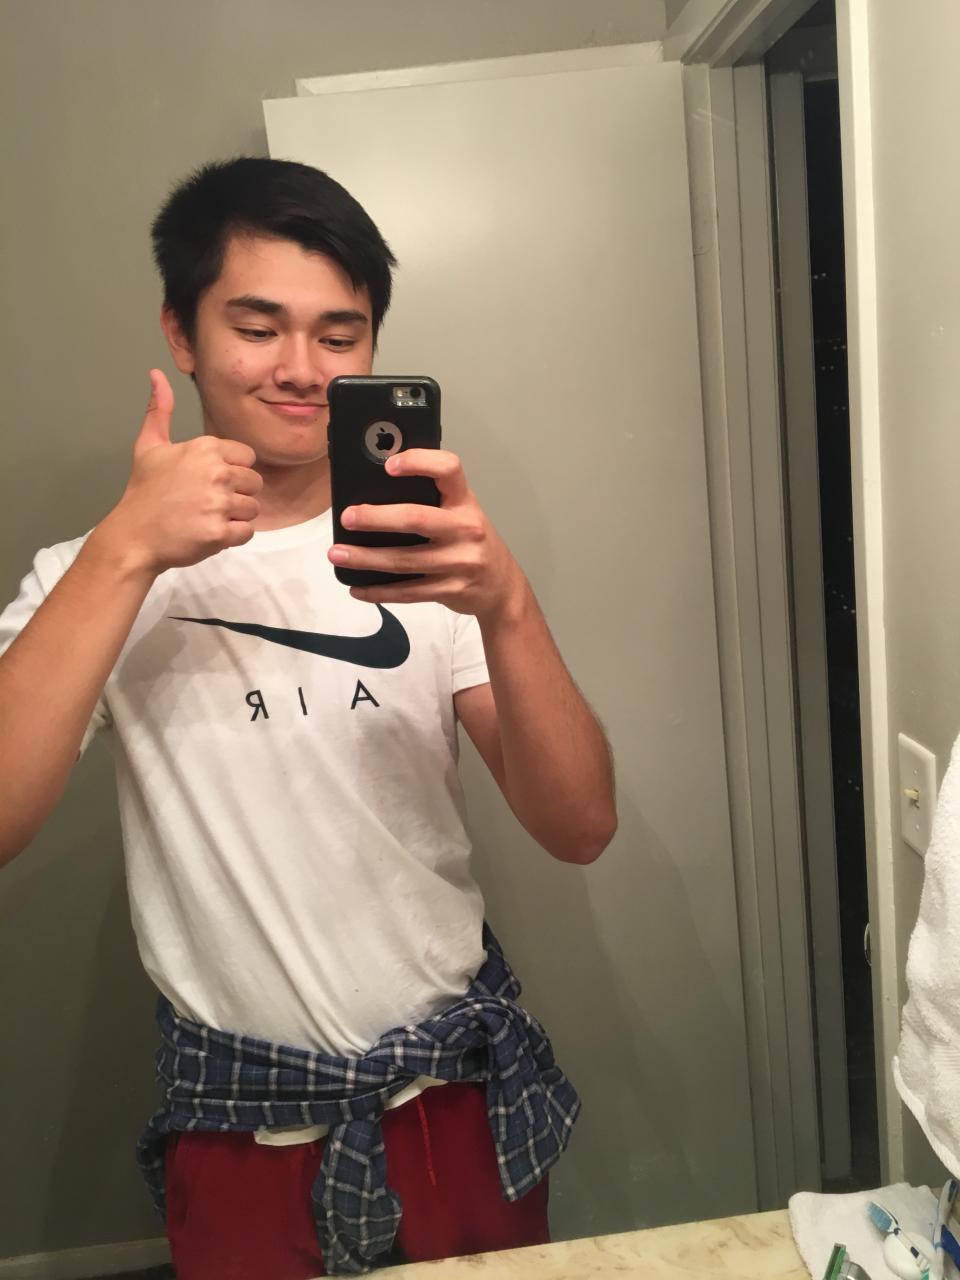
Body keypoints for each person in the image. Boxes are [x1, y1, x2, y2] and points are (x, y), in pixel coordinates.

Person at [0, 157, 617, 1278]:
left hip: (451, 1094)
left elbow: (578, 826)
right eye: (258, 327)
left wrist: (508, 602)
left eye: (341, 334)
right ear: (182, 333)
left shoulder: (428, 558)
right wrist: (128, 548)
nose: (301, 368)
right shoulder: (94, 572)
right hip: (241, 1118)